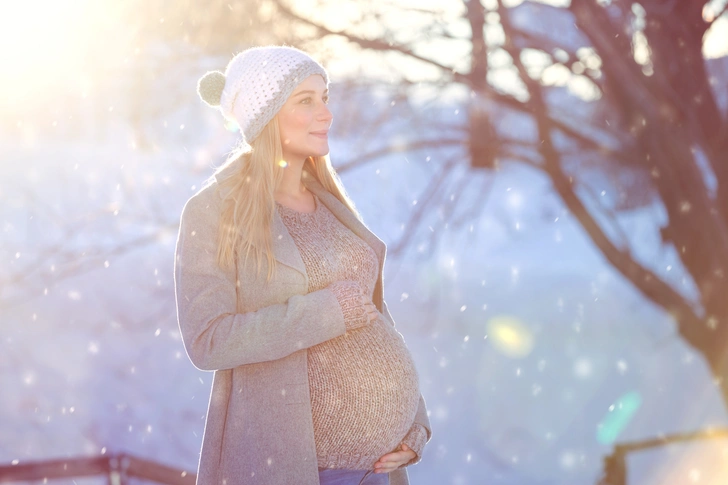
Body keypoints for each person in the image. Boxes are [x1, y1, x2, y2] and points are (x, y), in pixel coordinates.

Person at [174, 45, 432, 485]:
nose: (326, 113)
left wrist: (414, 422)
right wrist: (325, 313)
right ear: (266, 116)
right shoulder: (214, 210)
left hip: (378, 470)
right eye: (306, 101)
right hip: (303, 470)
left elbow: (372, 315)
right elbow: (208, 339)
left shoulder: (330, 202)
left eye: (325, 97)